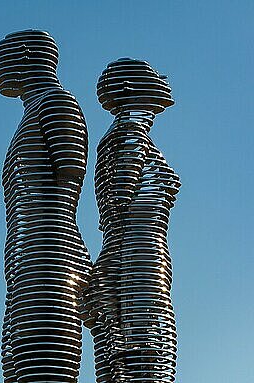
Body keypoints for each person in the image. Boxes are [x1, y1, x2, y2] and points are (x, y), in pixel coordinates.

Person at [0, 30, 91, 383]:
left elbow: (69, 179)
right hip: (28, 259)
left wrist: (56, 257)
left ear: (28, 54)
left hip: (50, 254)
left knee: (46, 362)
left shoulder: (56, 104)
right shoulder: (34, 110)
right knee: (18, 364)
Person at [85, 58, 181, 383]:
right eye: (153, 74)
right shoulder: (128, 138)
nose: (163, 79)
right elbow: (120, 207)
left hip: (137, 264)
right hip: (136, 269)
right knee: (147, 367)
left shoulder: (127, 137)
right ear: (130, 88)